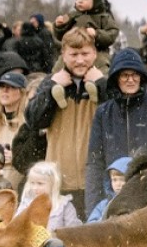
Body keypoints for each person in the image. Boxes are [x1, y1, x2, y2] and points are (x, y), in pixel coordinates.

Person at [84, 48, 147, 214]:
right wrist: (93, 207)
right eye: (125, 75)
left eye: (135, 75)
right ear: (116, 78)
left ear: (141, 77)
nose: (131, 80)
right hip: (112, 196)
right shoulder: (103, 113)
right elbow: (95, 162)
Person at [24, 29, 102, 214]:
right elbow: (33, 120)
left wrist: (101, 84)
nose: (80, 60)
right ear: (63, 55)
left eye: (85, 54)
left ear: (94, 53)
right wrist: (52, 86)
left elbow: (117, 116)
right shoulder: (51, 82)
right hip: (59, 179)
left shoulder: (104, 82)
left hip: (93, 180)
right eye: (74, 55)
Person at [52, 0, 120, 68]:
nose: (80, 0)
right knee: (60, 64)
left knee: (102, 65)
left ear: (96, 0)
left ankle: (102, 77)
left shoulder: (104, 17)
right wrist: (59, 26)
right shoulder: (72, 15)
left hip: (97, 51)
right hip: (74, 50)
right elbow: (61, 37)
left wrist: (97, 34)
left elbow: (112, 33)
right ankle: (55, 77)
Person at [19, 161, 80, 229]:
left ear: (53, 184)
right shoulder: (26, 204)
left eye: (40, 183)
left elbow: (73, 231)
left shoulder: (64, 205)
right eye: (32, 183)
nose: (34, 187)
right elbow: (16, 227)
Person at [87, 157, 132, 222]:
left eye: (122, 180)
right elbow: (91, 224)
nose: (118, 184)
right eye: (114, 180)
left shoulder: (136, 203)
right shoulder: (104, 205)